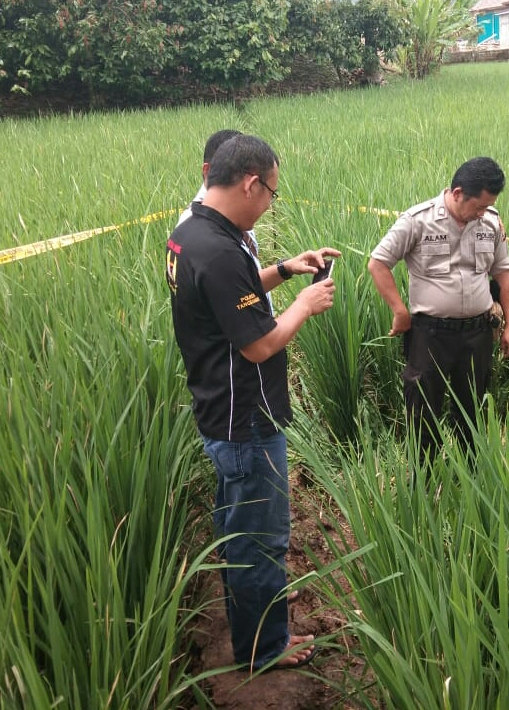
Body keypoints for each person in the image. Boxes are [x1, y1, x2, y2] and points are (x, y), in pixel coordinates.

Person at [165, 134, 339, 671]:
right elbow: (259, 342)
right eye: (271, 194)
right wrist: (305, 305)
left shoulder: (193, 231)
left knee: (239, 530)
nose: (269, 204)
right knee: (261, 539)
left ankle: (251, 628)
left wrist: (286, 271)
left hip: (218, 410)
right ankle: (264, 649)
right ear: (250, 183)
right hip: (246, 422)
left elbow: (234, 298)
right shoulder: (217, 249)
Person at [367, 157, 509, 464]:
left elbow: (503, 274)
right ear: (458, 192)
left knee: (472, 411)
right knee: (423, 413)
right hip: (430, 335)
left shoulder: (489, 222)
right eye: (478, 206)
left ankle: (473, 481)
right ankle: (423, 487)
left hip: (477, 334)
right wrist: (399, 311)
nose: (482, 213)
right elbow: (378, 263)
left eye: (489, 206)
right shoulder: (417, 221)